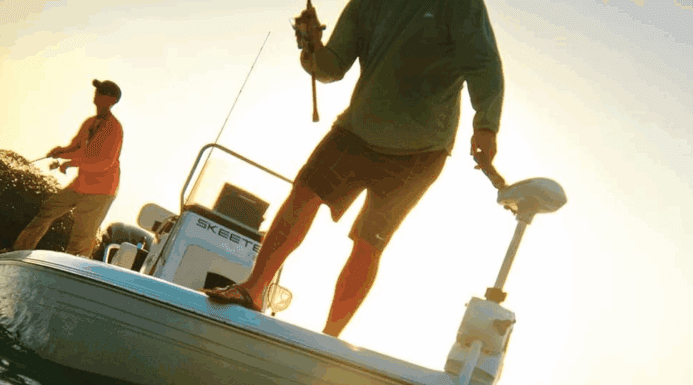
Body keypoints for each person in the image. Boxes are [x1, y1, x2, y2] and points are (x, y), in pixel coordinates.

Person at [205, 0, 504, 337]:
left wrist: (486, 125)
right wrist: (312, 46)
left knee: (369, 242)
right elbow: (332, 67)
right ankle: (253, 290)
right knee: (302, 196)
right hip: (356, 130)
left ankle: (330, 337)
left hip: (421, 150)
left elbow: (483, 64)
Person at [12, 79, 124, 257]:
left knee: (81, 235)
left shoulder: (114, 129)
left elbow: (105, 163)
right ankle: (18, 252)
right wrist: (60, 152)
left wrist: (72, 163)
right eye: (97, 91)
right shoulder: (90, 122)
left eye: (102, 92)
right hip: (81, 184)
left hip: (102, 190)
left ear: (111, 100)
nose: (96, 94)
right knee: (48, 209)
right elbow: (76, 148)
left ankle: (74, 270)